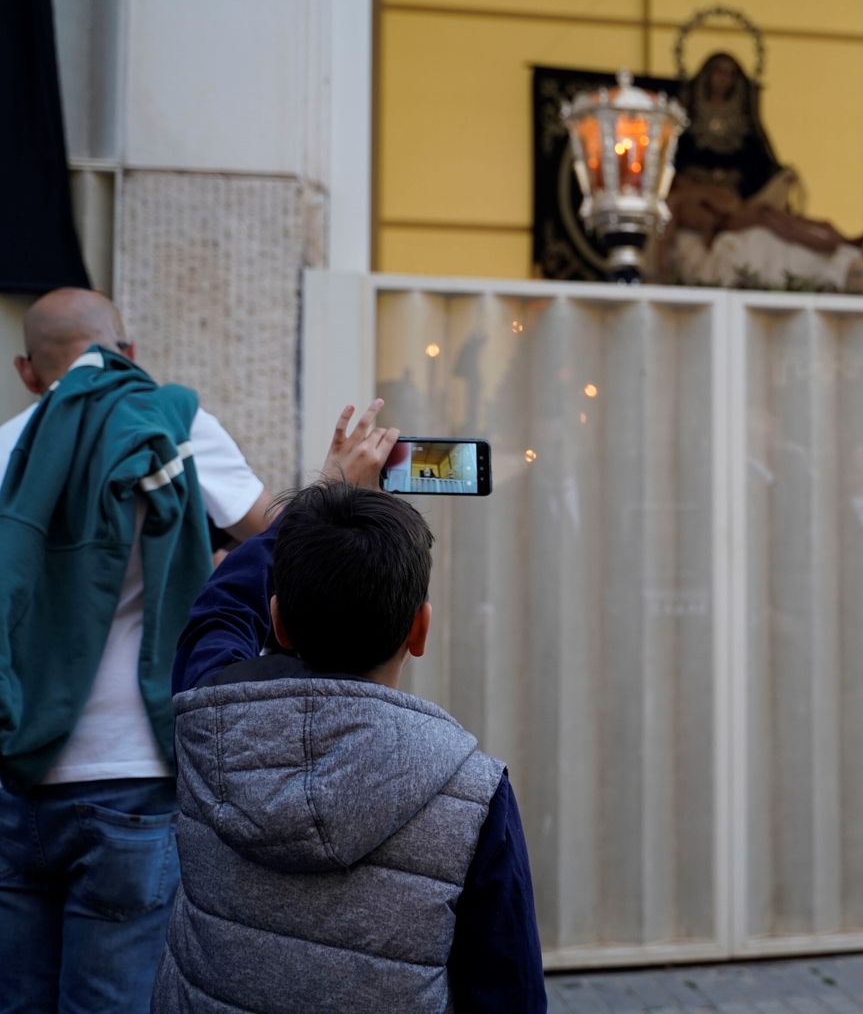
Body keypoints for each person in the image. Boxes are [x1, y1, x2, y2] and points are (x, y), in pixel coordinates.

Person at [152, 469, 547, 1012]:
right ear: (420, 629)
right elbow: (508, 993)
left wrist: (312, 504)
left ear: (278, 623)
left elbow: (216, 616)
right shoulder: (477, 795)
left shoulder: (209, 724)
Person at [0, 288, 274, 1012]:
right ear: (128, 355)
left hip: (14, 770)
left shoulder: (5, 449)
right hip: (131, 775)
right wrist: (344, 481)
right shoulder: (173, 425)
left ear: (28, 372)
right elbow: (274, 540)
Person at [663, 52, 863, 286]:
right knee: (768, 216)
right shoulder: (685, 126)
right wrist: (705, 198)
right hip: (716, 207)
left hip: (733, 200)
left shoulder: (742, 121)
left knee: (789, 219)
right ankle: (851, 248)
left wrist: (779, 176)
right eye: (718, 72)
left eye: (729, 73)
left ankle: (853, 248)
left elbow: (758, 160)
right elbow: (677, 178)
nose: (723, 79)